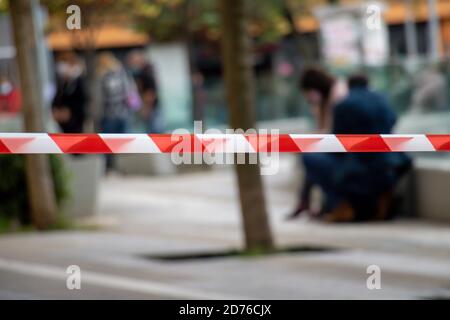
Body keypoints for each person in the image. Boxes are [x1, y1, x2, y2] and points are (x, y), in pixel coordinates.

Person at [300, 73, 411, 222]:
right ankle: (379, 200)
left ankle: (342, 204)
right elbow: (393, 122)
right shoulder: (383, 100)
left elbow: (335, 144)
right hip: (390, 166)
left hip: (359, 170)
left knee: (310, 158)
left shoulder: (344, 105)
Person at [287, 67, 347, 219]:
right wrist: (316, 107)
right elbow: (323, 127)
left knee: (309, 158)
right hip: (334, 145)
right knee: (309, 157)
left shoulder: (338, 94)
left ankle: (307, 202)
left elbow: (332, 129)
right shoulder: (324, 99)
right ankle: (309, 202)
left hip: (343, 148)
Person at [96, 52, 132, 171]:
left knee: (107, 143)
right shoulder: (121, 73)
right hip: (123, 113)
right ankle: (123, 167)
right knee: (123, 143)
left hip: (109, 115)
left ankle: (109, 168)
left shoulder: (102, 77)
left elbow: (99, 99)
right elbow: (128, 92)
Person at [126, 50, 162, 133]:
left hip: (151, 108)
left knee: (155, 133)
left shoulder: (146, 72)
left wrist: (147, 108)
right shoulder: (140, 73)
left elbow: (150, 92)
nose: (131, 65)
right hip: (147, 107)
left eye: (132, 62)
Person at [51, 51, 86, 133]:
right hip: (62, 125)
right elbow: (57, 98)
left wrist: (69, 112)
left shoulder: (80, 81)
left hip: (75, 125)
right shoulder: (63, 82)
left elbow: (83, 102)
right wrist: (56, 110)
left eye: (63, 63)